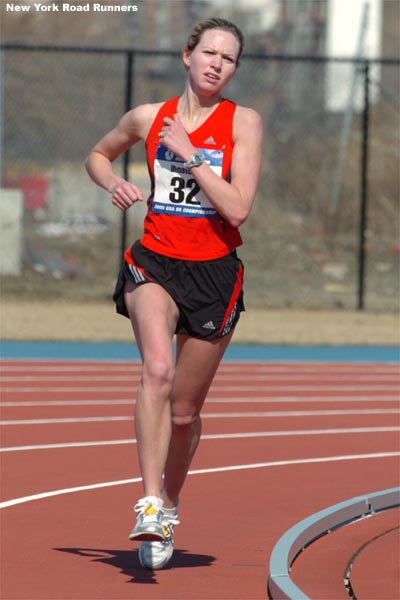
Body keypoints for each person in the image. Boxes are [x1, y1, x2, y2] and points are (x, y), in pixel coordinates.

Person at [85, 17, 263, 570]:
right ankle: (149, 501)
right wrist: (112, 181)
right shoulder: (148, 116)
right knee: (157, 371)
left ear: (234, 70)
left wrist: (189, 153)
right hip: (155, 262)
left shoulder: (244, 123)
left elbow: (237, 209)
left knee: (184, 414)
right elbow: (97, 154)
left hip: (214, 276)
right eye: (208, 52)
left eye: (228, 58)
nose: (216, 63)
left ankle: (172, 498)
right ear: (188, 56)